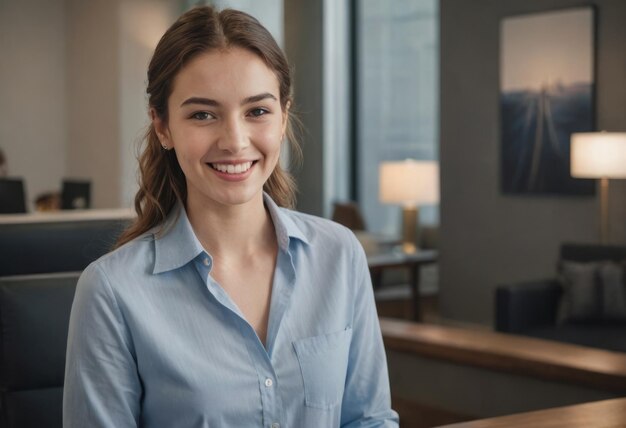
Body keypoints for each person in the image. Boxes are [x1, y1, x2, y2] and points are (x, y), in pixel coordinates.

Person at [63, 6, 398, 428]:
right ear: (163, 127)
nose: (235, 141)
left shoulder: (339, 254)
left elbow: (369, 420)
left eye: (257, 111)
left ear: (282, 117)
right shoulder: (112, 292)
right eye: (203, 114)